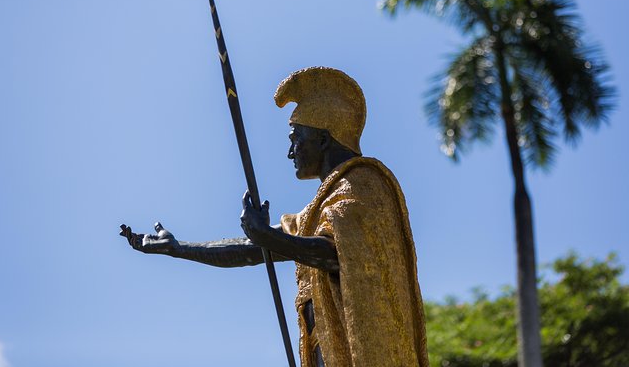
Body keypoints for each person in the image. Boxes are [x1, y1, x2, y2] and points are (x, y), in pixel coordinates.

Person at [120, 66, 429, 367]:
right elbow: (253, 250)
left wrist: (269, 237)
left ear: (323, 139)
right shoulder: (318, 211)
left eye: (295, 138)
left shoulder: (363, 182)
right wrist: (180, 248)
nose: (290, 152)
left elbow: (336, 254)